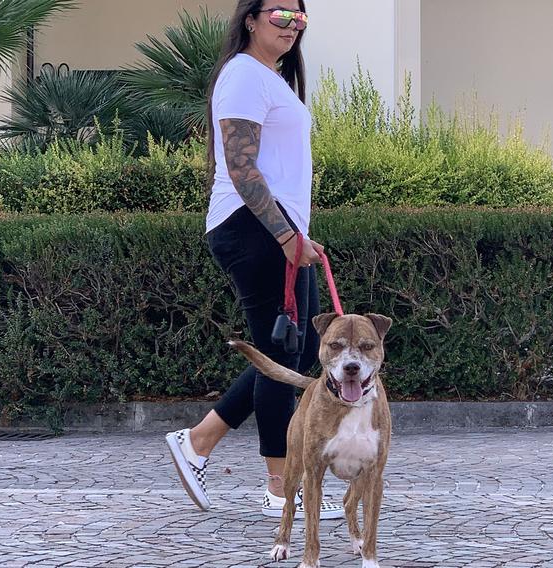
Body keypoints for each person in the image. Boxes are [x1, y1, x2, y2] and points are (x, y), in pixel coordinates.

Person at [165, 0, 342, 520]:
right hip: (252, 227)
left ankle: (200, 440)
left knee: (295, 349)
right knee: (281, 351)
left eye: (300, 18)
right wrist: (288, 236)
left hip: (275, 230)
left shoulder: (269, 77)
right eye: (280, 15)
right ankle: (280, 486)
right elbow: (241, 168)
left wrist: (296, 236)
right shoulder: (243, 75)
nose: (291, 26)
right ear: (250, 18)